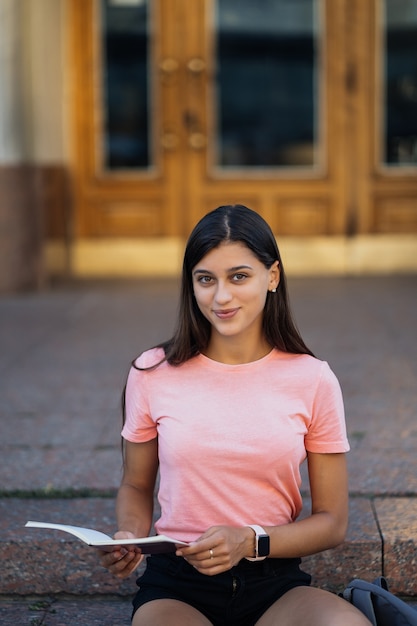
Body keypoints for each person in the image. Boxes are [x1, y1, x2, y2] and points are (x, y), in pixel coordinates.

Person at [101, 204, 371, 625]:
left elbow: (332, 521)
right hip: (177, 585)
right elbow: (136, 485)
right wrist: (128, 536)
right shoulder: (152, 372)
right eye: (205, 279)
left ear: (273, 276)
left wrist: (249, 541)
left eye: (239, 276)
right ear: (191, 285)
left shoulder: (313, 378)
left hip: (274, 581)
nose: (221, 296)